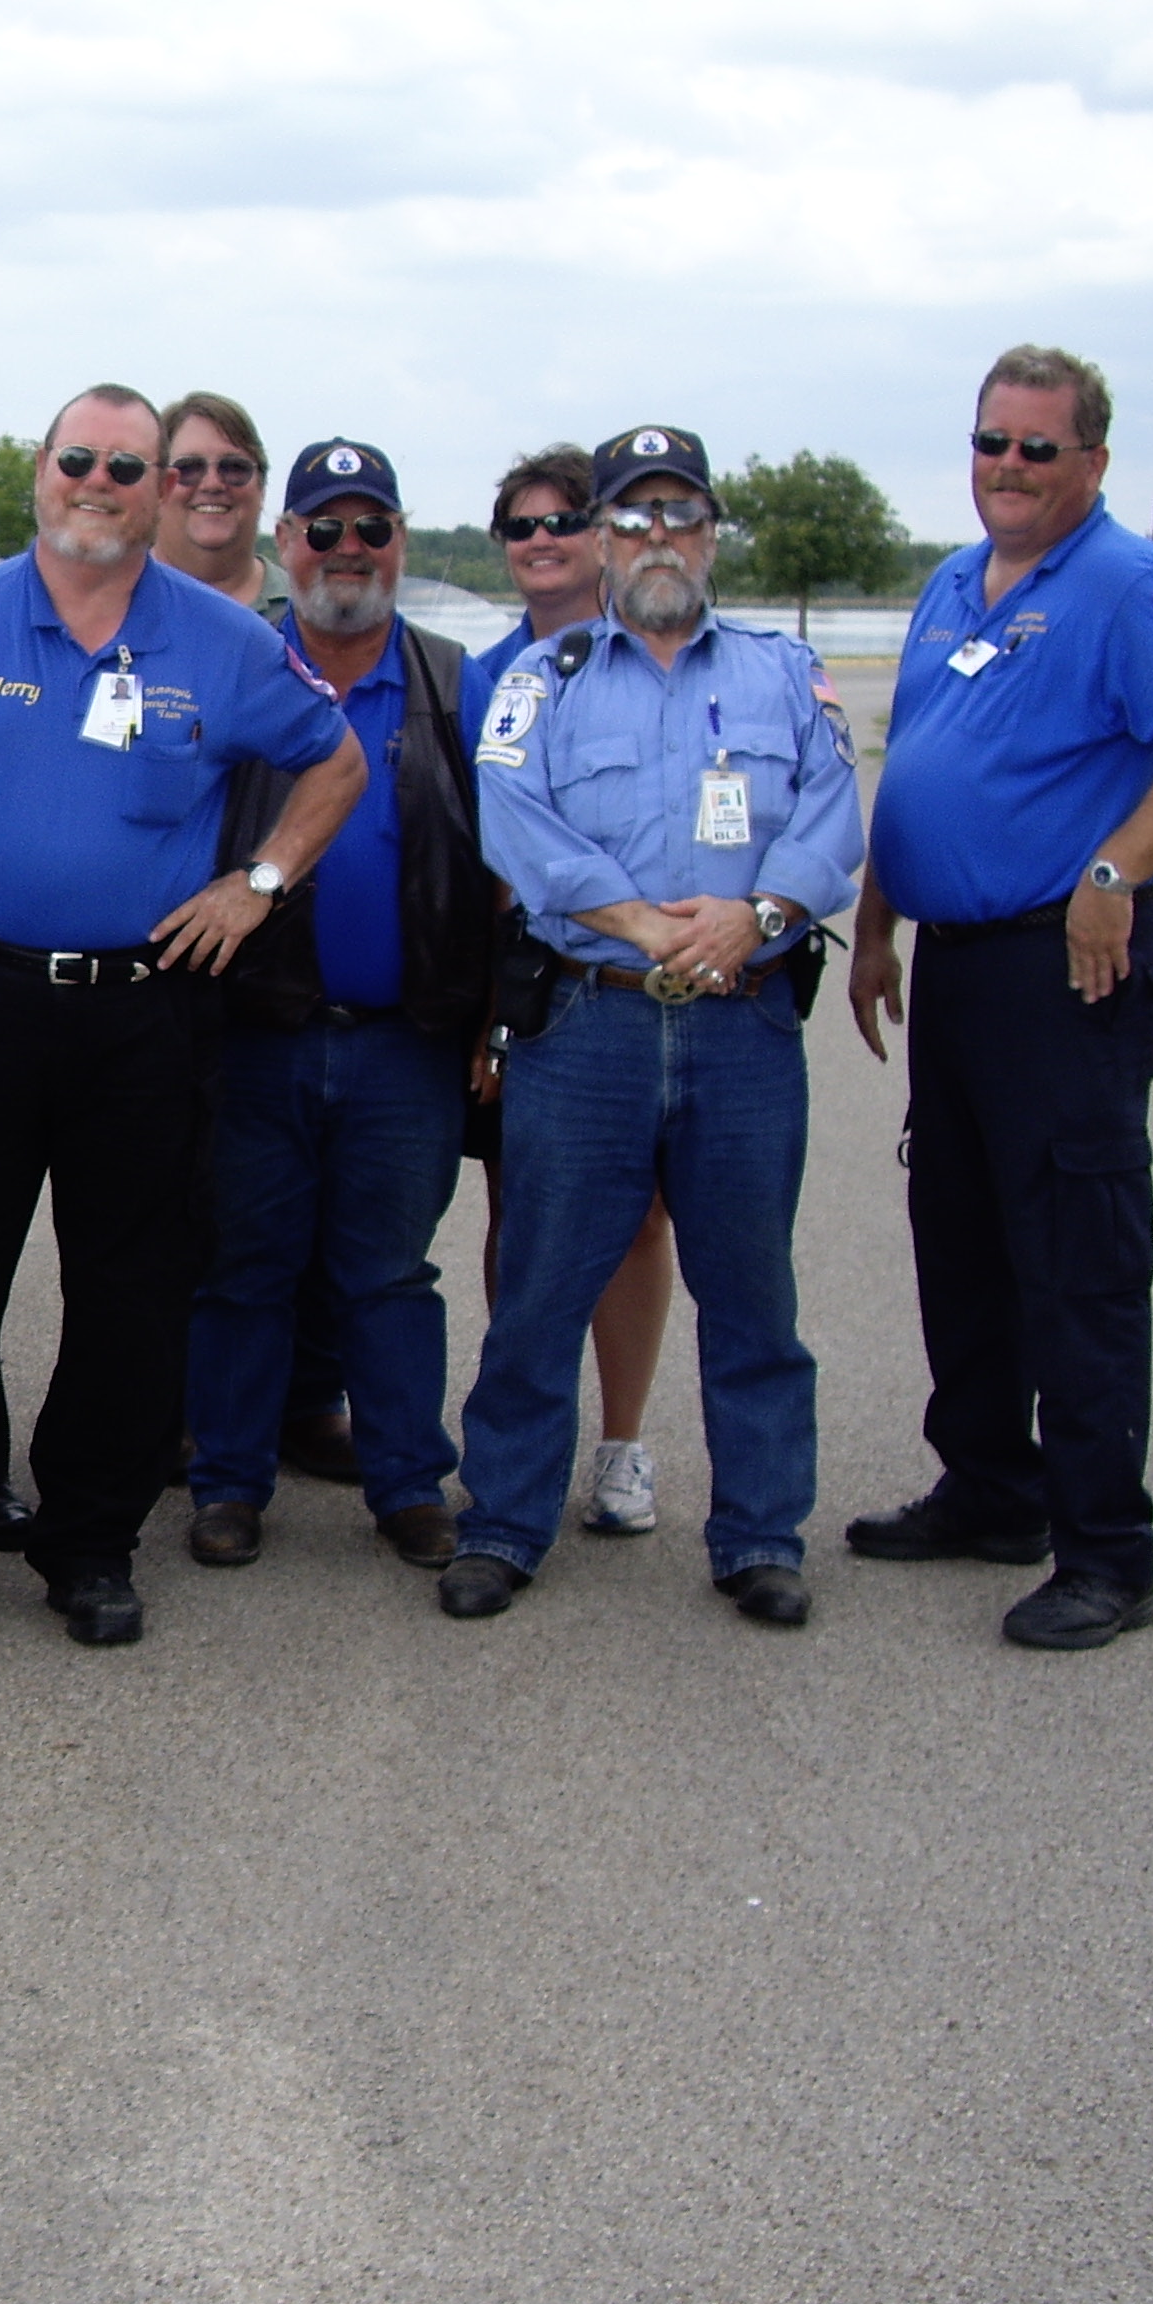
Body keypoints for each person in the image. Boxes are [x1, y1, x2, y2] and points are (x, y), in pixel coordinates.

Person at [0, 384, 367, 1652]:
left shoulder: (223, 641)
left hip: (147, 1011)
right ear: (41, 470)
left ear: (164, 488)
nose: (100, 484)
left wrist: (258, 883)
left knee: (132, 1289)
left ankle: (90, 1543)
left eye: (131, 467)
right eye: (81, 460)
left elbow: (335, 764)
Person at [843, 346, 1153, 1649]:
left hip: (1064, 969)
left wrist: (1116, 869)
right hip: (960, 968)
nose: (1010, 467)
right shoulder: (954, 583)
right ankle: (992, 1489)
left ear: (1093, 459)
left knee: (1076, 1262)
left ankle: (1108, 1553)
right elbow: (921, 762)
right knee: (961, 1240)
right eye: (993, 442)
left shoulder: (1129, 586)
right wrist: (877, 924)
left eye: (1038, 447)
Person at [443, 424, 863, 1627]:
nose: (657, 538)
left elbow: (833, 817)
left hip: (743, 1027)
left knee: (754, 1299)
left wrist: (756, 916)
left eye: (681, 514)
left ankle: (761, 1534)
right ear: (601, 539)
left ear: (713, 533)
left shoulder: (788, 674)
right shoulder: (544, 682)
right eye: (631, 518)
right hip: (591, 1025)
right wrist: (641, 924)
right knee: (540, 1290)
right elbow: (514, 824)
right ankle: (505, 1523)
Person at [183, 437, 486, 1576]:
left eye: (370, 528)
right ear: (286, 542)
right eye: (323, 528)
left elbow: (506, 870)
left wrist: (495, 1020)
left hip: (407, 1044)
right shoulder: (237, 667)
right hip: (256, 1033)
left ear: (400, 542)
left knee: (391, 1276)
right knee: (244, 1269)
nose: (346, 549)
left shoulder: (456, 683)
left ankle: (410, 1486)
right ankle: (227, 1482)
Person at [469, 445, 679, 1540]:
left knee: (640, 1216)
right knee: (525, 1217)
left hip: (640, 978)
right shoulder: (480, 678)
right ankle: (527, 1445)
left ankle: (623, 1443)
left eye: (563, 521)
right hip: (523, 983)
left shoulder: (658, 656)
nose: (542, 541)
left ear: (603, 536)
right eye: (521, 526)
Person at [152, 390, 355, 1484]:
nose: (210, 485)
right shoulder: (116, 611)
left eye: (234, 467)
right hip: (151, 966)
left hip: (281, 966)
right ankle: (167, 1408)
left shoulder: (299, 624)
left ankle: (303, 1402)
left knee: (294, 1210)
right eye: (187, 466)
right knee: (159, 1204)